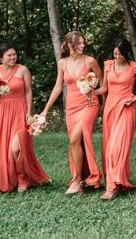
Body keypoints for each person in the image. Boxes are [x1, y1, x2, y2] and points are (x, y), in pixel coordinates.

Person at [0, 44, 50, 193]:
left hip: (19, 111)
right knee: (1, 147)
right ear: (1, 57)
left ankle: (22, 177)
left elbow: (28, 92)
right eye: (9, 55)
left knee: (17, 147)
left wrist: (29, 113)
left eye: (14, 54)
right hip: (0, 112)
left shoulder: (23, 70)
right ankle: (6, 176)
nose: (13, 57)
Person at [39, 30, 103, 194]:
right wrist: (45, 110)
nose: (83, 45)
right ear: (69, 45)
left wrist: (94, 92)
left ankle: (76, 181)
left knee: (75, 139)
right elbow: (58, 87)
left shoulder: (90, 61)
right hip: (71, 107)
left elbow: (104, 85)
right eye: (79, 43)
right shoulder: (62, 63)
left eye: (83, 42)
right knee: (75, 142)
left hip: (89, 104)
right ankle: (80, 180)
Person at [99, 38, 136, 200]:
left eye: (120, 54)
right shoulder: (108, 66)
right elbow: (104, 88)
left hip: (126, 107)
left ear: (126, 53)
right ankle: (118, 181)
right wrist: (91, 91)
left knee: (116, 147)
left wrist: (133, 99)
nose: (117, 56)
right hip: (110, 108)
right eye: (115, 53)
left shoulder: (135, 68)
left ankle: (111, 187)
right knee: (108, 147)